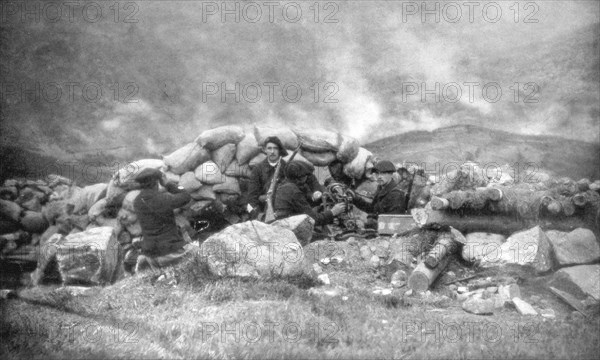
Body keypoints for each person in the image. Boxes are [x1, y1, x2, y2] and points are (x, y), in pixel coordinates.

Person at [133, 168, 196, 272]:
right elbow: (185, 196)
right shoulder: (162, 199)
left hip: (151, 255)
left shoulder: (137, 202)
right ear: (158, 182)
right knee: (201, 255)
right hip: (170, 252)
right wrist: (168, 184)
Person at [247, 136, 323, 218]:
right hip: (266, 207)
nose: (272, 152)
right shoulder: (257, 169)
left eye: (275, 148)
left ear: (279, 150)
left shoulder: (287, 166)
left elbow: (309, 177)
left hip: (288, 204)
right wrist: (257, 215)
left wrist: (316, 191)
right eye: (269, 148)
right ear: (265, 150)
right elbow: (252, 197)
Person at [274, 161, 346, 226]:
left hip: (283, 223)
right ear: (300, 178)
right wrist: (333, 212)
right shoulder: (294, 191)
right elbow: (312, 219)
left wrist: (313, 197)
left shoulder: (284, 185)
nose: (307, 178)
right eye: (306, 176)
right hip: (287, 228)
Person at [352, 160, 407, 228]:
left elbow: (393, 222)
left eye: (383, 173)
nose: (379, 176)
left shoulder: (396, 194)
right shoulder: (381, 188)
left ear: (391, 174)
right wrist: (354, 198)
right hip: (377, 227)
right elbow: (372, 209)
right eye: (377, 173)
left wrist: (366, 225)